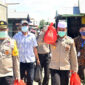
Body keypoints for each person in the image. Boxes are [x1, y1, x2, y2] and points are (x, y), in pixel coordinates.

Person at [49, 21, 78, 85]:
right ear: (57, 29)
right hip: (54, 67)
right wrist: (48, 29)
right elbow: (40, 41)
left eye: (63, 30)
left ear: (66, 30)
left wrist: (75, 69)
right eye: (60, 30)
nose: (61, 31)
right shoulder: (52, 39)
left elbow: (73, 56)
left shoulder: (70, 41)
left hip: (65, 68)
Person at [13, 20, 40, 85]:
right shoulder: (17, 36)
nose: (24, 27)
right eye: (23, 25)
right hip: (20, 61)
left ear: (28, 26)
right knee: (20, 79)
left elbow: (35, 48)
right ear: (21, 26)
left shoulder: (32, 36)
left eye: (26, 25)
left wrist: (37, 59)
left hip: (30, 61)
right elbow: (12, 45)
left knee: (30, 79)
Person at [0, 21, 20, 85]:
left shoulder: (12, 42)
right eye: (0, 29)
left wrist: (17, 75)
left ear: (7, 29)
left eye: (4, 29)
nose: (2, 31)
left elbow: (16, 60)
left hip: (8, 75)